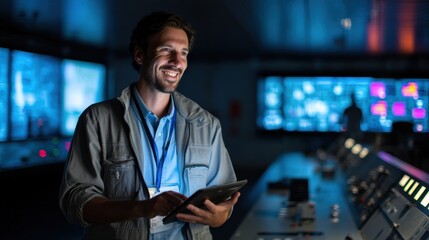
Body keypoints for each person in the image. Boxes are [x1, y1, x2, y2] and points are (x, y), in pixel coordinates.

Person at [59, 11, 239, 240]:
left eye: (183, 53)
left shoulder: (206, 124)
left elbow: (223, 206)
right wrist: (144, 208)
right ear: (139, 55)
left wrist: (218, 217)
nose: (177, 61)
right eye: (167, 50)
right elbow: (75, 203)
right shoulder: (97, 119)